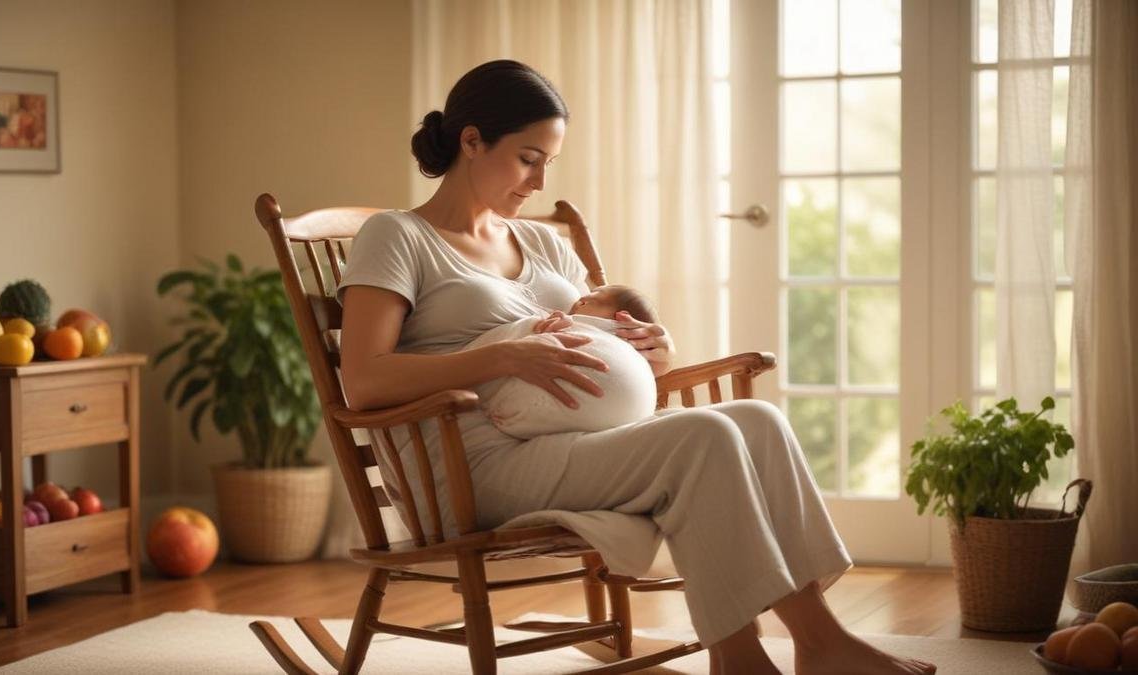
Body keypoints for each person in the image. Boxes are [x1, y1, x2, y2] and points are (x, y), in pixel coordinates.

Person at [336, 59, 936, 675]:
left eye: (549, 163)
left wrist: (647, 350)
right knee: (702, 437)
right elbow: (364, 379)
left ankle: (817, 642)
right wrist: (501, 356)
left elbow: (596, 337)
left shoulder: (541, 242)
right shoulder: (399, 237)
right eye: (528, 158)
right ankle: (749, 657)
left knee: (757, 420)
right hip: (474, 468)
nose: (539, 182)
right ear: (471, 141)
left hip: (571, 445)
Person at [461, 285, 661, 439]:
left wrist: (663, 358)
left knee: (532, 330)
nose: (577, 303)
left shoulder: (618, 342)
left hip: (612, 414)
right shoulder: (620, 345)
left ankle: (509, 411)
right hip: (635, 412)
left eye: (588, 300)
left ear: (622, 318)